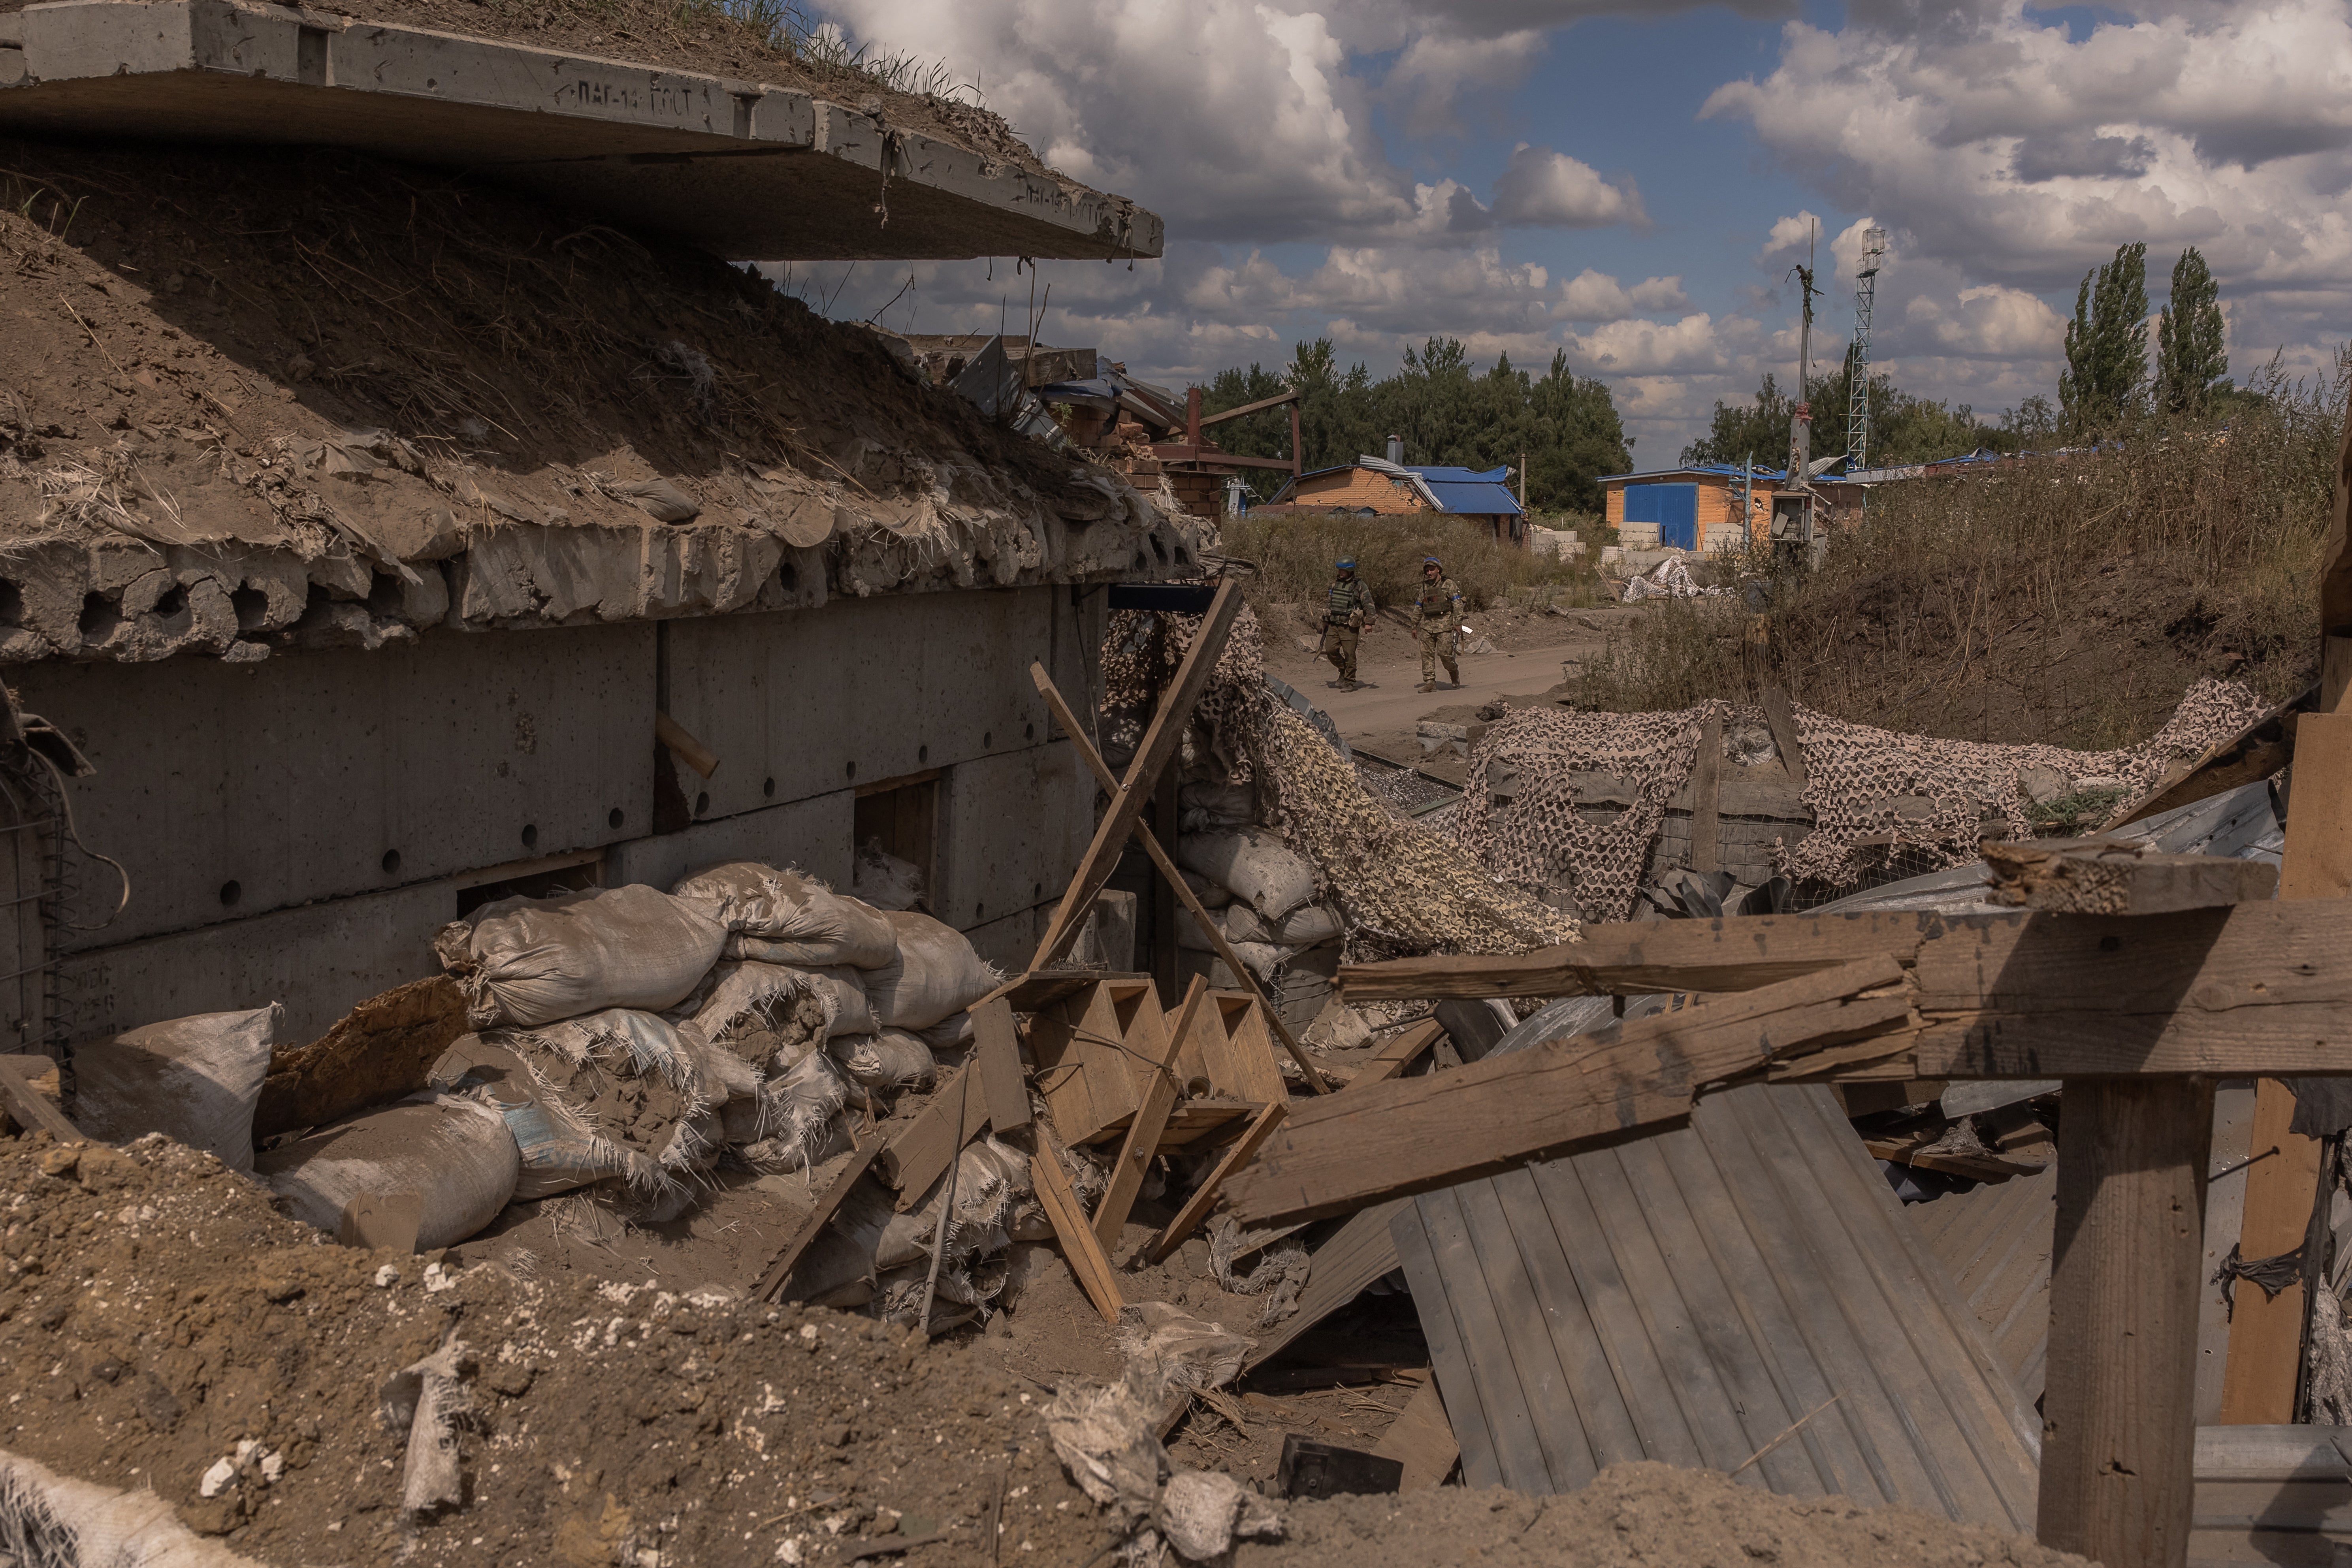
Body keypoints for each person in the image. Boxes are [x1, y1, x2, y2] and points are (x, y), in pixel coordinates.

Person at [1413, 555, 1464, 692]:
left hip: (1445, 626)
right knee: (1426, 655)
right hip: (1427, 626)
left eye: (1432, 570)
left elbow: (1457, 604)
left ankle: (1453, 672)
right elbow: (1419, 606)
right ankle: (1430, 682)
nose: (1429, 573)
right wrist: (1414, 625)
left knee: (1445, 655)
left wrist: (1458, 623)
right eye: (1427, 571)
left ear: (1438, 570)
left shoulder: (1449, 584)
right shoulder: (1424, 587)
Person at [1320, 557, 1370, 690]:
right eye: (1339, 569)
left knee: (1349, 654)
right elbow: (1329, 603)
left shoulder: (1359, 586)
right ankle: (1343, 670)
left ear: (1350, 570)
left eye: (1343, 570)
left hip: (1350, 626)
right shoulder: (1335, 585)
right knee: (1330, 650)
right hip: (1334, 624)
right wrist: (1325, 620)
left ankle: (1349, 681)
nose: (1340, 572)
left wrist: (1369, 623)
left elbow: (1369, 605)